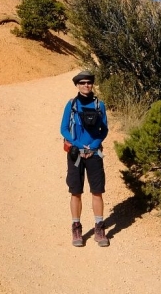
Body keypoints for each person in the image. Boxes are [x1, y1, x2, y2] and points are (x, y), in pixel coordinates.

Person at [60, 70, 109, 247]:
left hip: (94, 153)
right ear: (77, 85)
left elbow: (104, 130)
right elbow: (64, 128)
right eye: (82, 83)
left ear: (92, 84)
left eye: (88, 82)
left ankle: (99, 227)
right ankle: (76, 228)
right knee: (76, 191)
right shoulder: (71, 105)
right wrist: (78, 145)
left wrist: (94, 145)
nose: (86, 85)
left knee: (97, 191)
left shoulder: (99, 105)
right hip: (76, 154)